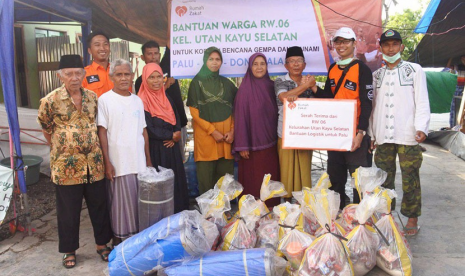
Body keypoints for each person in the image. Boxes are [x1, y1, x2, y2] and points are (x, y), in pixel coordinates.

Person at [37, 55, 112, 269]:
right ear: (60, 75)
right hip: (66, 168)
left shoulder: (92, 97)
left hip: (94, 164)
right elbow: (45, 128)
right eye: (68, 73)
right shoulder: (50, 100)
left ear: (84, 74)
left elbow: (99, 126)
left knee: (99, 205)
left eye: (78, 73)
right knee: (68, 211)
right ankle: (69, 250)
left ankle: (101, 244)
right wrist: (63, 148)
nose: (74, 77)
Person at [369, 29, 430, 236]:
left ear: (401, 47)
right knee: (383, 178)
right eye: (386, 45)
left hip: (408, 134)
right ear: (381, 49)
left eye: (395, 44)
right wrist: (372, 134)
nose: (390, 48)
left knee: (410, 178)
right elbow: (373, 106)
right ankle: (387, 217)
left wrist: (422, 127)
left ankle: (412, 218)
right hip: (383, 135)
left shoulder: (414, 70)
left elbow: (422, 101)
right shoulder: (376, 75)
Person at [310, 27, 373, 210]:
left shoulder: (362, 69)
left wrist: (361, 133)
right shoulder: (333, 69)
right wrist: (314, 89)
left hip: (355, 135)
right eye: (338, 42)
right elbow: (329, 98)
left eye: (346, 41)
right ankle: (337, 216)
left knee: (359, 182)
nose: (341, 45)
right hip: (335, 135)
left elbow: (367, 103)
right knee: (335, 179)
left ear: (354, 44)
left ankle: (358, 219)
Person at [97, 59, 152, 244]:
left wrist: (149, 160)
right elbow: (102, 132)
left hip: (138, 161)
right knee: (120, 206)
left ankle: (138, 242)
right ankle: (120, 242)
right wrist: (107, 162)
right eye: (119, 74)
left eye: (126, 74)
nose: (123, 78)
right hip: (118, 162)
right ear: (111, 76)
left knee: (139, 205)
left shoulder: (137, 101)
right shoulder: (104, 100)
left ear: (132, 76)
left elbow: (143, 131)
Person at [138, 63, 189, 212]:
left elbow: (177, 117)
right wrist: (170, 135)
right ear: (145, 80)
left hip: (172, 148)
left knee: (175, 183)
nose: (156, 81)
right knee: (160, 186)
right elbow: (148, 128)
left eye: (159, 77)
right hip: (156, 150)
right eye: (151, 77)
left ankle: (178, 213)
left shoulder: (166, 97)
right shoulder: (141, 100)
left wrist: (177, 134)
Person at [186, 47, 238, 194]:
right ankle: (208, 215)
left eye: (217, 59)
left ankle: (224, 213)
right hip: (207, 139)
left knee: (225, 182)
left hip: (225, 139)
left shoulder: (227, 84)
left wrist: (233, 131)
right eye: (211, 59)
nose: (214, 63)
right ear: (205, 60)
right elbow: (194, 112)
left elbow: (236, 109)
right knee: (206, 182)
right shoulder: (197, 83)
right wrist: (212, 131)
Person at [233, 53, 281, 206]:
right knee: (254, 183)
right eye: (255, 64)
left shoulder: (272, 86)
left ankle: (271, 214)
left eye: (262, 64)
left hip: (272, 144)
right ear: (250, 67)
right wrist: (242, 145)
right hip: (251, 147)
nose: (259, 67)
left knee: (271, 181)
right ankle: (252, 215)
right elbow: (239, 118)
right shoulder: (244, 89)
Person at [275, 46, 315, 199]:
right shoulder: (280, 81)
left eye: (299, 61)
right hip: (285, 134)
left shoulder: (310, 82)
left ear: (304, 64)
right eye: (292, 61)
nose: (296, 64)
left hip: (305, 134)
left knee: (304, 174)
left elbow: (319, 103)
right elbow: (284, 97)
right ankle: (286, 209)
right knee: (286, 173)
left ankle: (303, 206)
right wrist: (305, 86)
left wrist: (311, 86)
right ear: (286, 65)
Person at [82, 31, 113, 97]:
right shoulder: (83, 74)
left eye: (105, 44)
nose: (102, 48)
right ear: (89, 50)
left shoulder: (118, 71)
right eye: (97, 45)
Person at [449, 55, 465, 127]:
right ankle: (453, 125)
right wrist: (451, 56)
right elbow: (449, 66)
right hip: (459, 88)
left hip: (463, 88)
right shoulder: (459, 66)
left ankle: (461, 125)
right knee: (455, 106)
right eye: (462, 58)